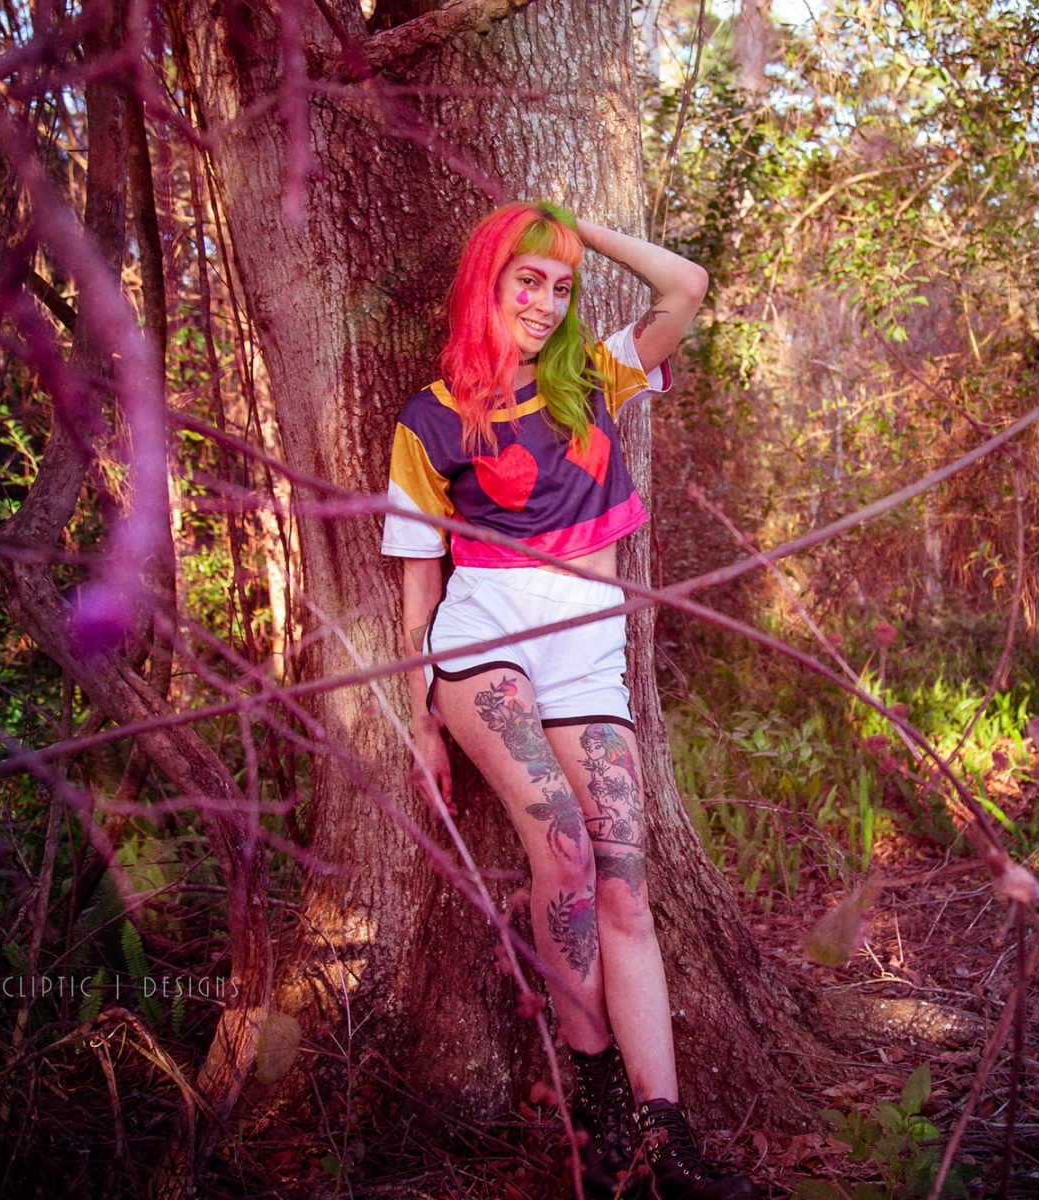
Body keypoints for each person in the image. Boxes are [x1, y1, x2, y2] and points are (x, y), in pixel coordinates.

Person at [381, 202, 755, 1200]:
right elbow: (419, 576)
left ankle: (665, 1134)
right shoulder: (429, 418)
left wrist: (579, 232)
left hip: (588, 653)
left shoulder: (593, 376)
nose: (546, 304)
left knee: (625, 882)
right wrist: (421, 716)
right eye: (527, 281)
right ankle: (595, 1093)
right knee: (568, 853)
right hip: (484, 643)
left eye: (560, 286)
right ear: (487, 284)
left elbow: (685, 289)